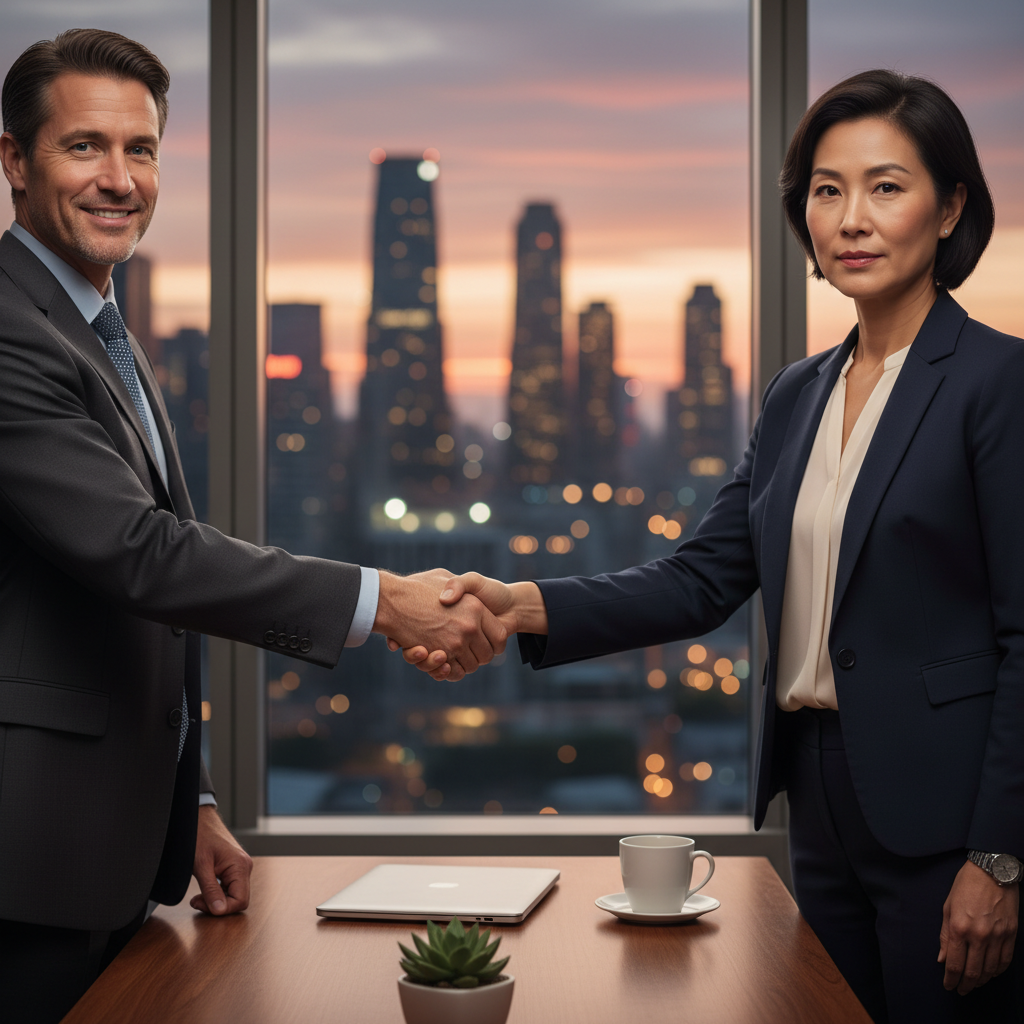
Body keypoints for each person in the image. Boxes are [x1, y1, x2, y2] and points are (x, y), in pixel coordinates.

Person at [403, 70, 1024, 1023]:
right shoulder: (796, 394)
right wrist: (518, 603)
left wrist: (1000, 857)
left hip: (945, 815)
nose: (852, 218)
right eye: (827, 190)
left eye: (886, 187)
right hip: (815, 799)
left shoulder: (997, 381)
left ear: (949, 209)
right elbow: (702, 579)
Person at [0, 28, 505, 1024]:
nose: (119, 179)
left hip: (94, 852)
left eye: (140, 150)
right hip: (28, 861)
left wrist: (187, 804)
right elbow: (140, 556)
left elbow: (126, 614)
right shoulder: (12, 330)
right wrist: (381, 599)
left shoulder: (96, 327)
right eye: (83, 147)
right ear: (14, 161)